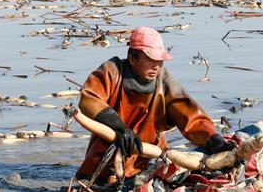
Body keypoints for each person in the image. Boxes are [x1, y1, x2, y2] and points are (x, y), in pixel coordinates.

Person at [76, 26, 235, 181]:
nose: (156, 66)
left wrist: (214, 140)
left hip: (148, 156)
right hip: (108, 152)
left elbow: (190, 116)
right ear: (132, 58)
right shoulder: (112, 71)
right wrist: (120, 128)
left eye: (159, 60)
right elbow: (89, 99)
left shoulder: (164, 82)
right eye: (150, 59)